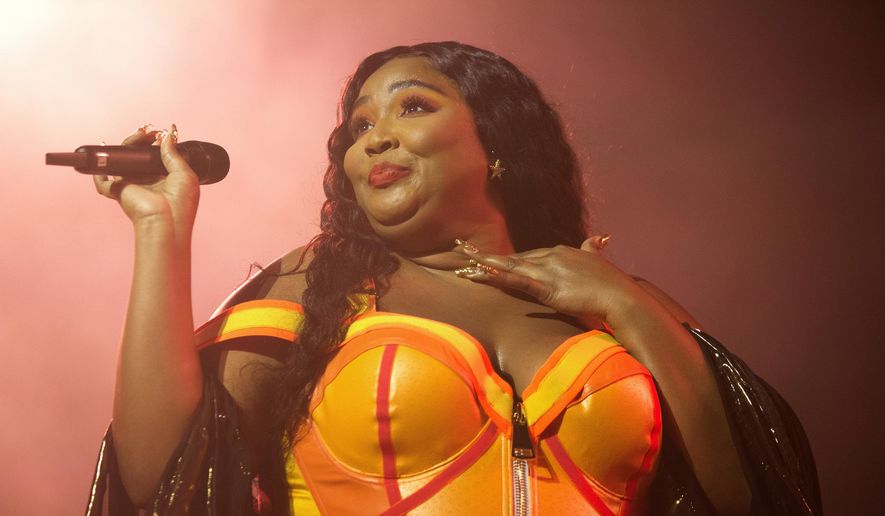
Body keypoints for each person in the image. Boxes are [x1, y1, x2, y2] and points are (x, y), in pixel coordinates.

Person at [85, 42, 820, 515]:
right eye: (357, 125)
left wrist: (624, 302)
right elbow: (163, 481)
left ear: (494, 145)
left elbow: (752, 496)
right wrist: (160, 231)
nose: (375, 134)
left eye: (413, 105)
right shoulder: (313, 290)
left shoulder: (615, 304)